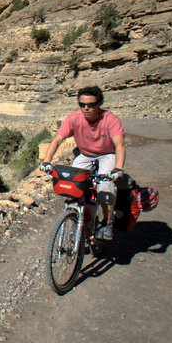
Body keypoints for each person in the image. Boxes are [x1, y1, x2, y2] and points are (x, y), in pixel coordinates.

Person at [40, 86, 126, 240]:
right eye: (82, 105)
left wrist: (118, 168)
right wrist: (46, 161)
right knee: (74, 185)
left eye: (91, 104)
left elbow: (119, 144)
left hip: (107, 154)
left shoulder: (110, 119)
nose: (86, 108)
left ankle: (107, 223)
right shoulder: (74, 118)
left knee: (105, 186)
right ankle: (77, 221)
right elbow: (58, 139)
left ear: (99, 104)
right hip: (85, 154)